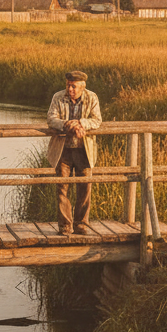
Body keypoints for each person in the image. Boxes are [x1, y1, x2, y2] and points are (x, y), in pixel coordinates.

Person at [47, 70, 102, 235]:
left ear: (83, 87)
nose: (70, 89)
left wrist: (80, 123)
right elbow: (51, 118)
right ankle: (65, 226)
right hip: (63, 149)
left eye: (74, 86)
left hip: (84, 149)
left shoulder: (92, 97)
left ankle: (81, 225)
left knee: (85, 187)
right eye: (68, 85)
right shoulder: (58, 97)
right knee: (62, 187)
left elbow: (97, 120)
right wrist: (66, 125)